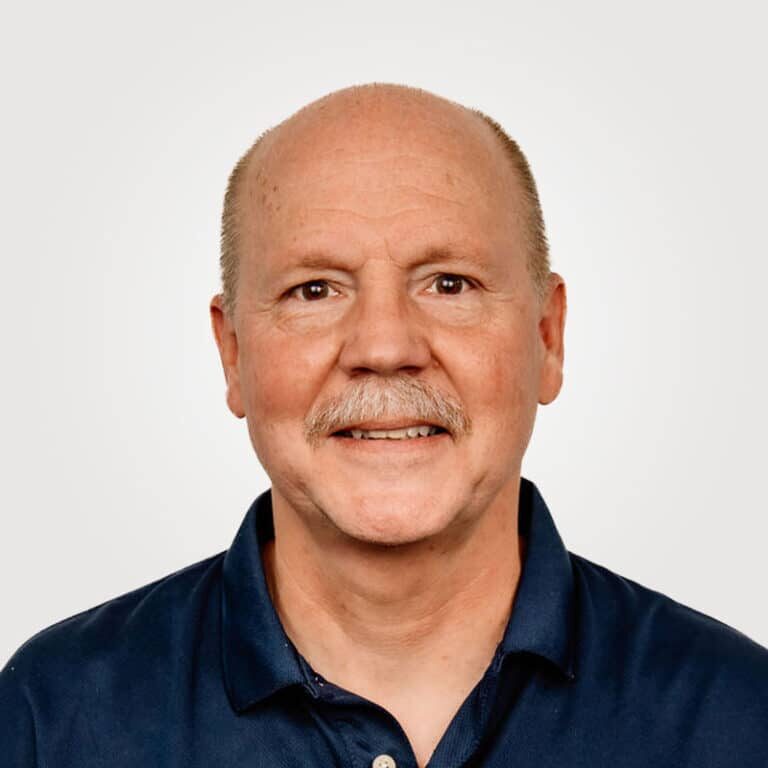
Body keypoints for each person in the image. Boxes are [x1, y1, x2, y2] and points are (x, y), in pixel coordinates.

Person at [1, 83, 766, 768]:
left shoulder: (739, 719)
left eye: (449, 283)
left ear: (547, 338)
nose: (385, 348)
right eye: (314, 290)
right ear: (233, 354)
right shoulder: (52, 717)